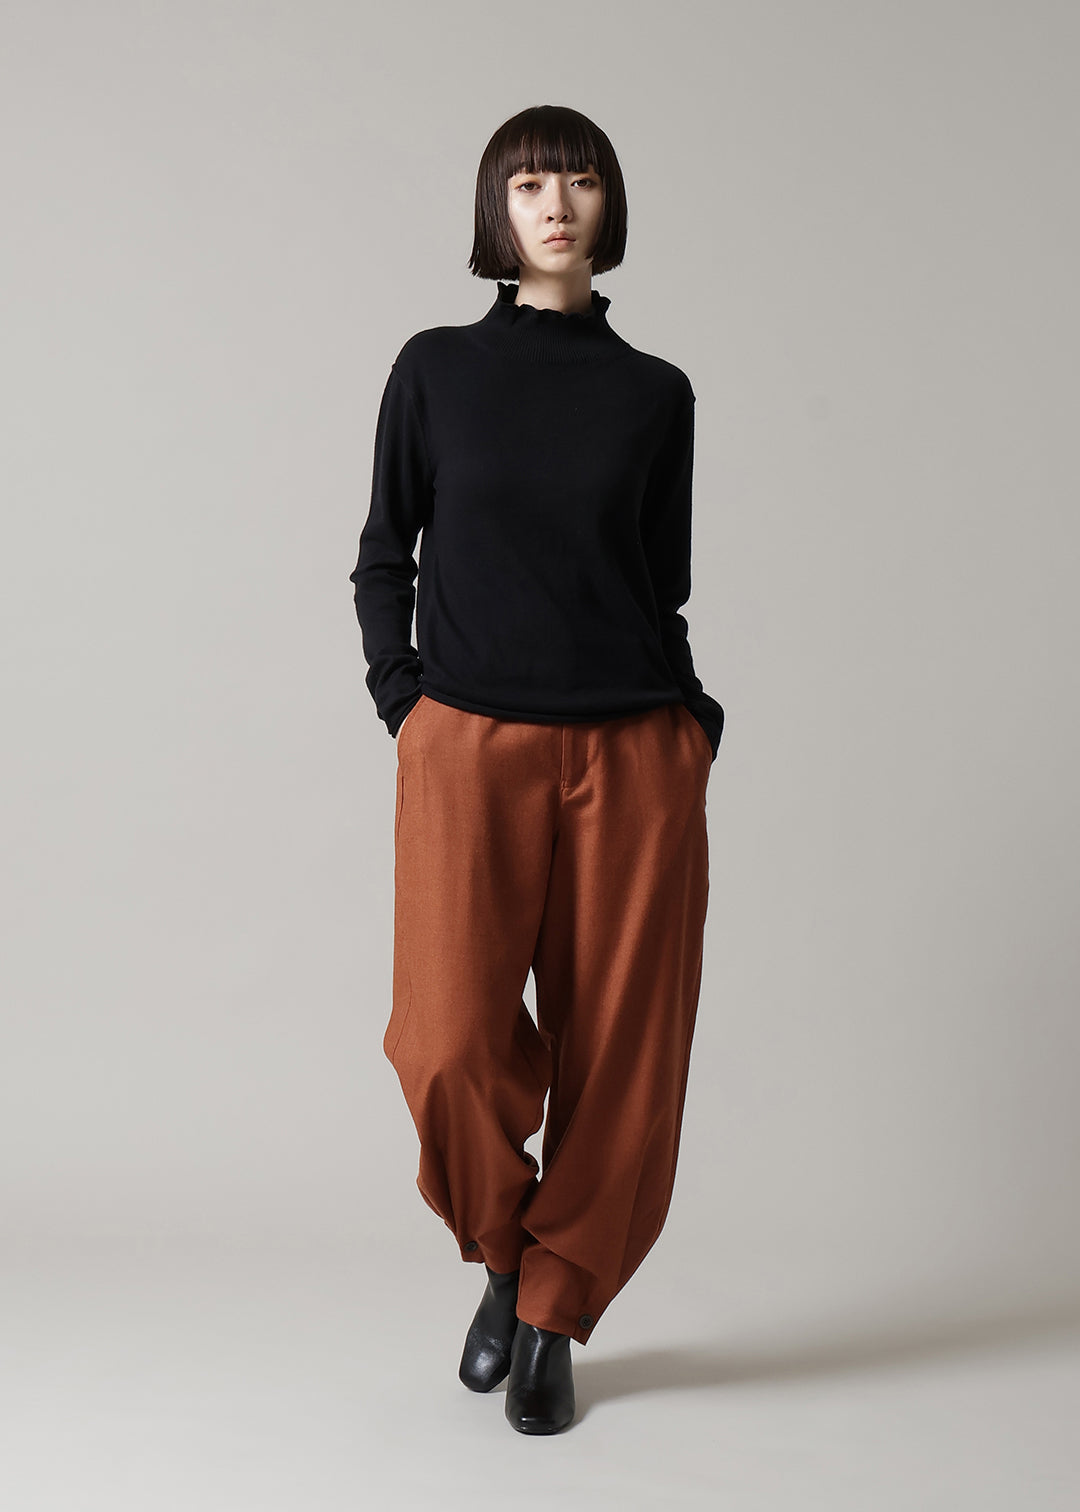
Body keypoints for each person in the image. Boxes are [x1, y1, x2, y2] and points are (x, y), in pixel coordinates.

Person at [349, 104, 724, 1436]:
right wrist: (407, 704)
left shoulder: (654, 394)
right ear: (494, 211)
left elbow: (659, 588)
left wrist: (691, 727)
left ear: (610, 206)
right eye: (527, 184)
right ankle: (506, 1259)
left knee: (625, 1052)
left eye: (578, 180)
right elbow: (384, 551)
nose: (555, 203)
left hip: (635, 748)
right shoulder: (436, 369)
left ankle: (558, 1309)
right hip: (470, 742)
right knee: (445, 1042)